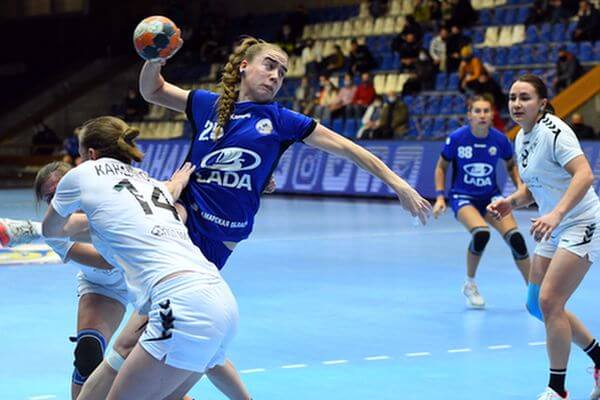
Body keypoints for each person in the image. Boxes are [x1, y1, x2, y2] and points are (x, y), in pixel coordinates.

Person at [75, 34, 430, 397]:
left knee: (175, 349)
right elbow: (153, 90)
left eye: (283, 72)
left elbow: (347, 147)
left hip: (214, 249)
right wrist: (155, 58)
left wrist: (398, 184)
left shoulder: (281, 121)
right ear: (244, 66)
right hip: (178, 232)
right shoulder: (207, 105)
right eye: (269, 65)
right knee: (144, 346)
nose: (276, 76)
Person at [41, 116, 239, 399]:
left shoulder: (83, 174)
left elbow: (51, 230)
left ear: (91, 154)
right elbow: (168, 195)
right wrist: (177, 183)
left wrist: (74, 226)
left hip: (176, 300)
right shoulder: (152, 183)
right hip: (220, 297)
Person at [488, 74, 600, 400]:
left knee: (550, 302)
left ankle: (557, 389)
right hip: (553, 225)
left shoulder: (555, 132)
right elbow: (533, 188)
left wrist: (557, 214)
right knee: (536, 303)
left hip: (580, 221)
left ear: (542, 103)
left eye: (525, 98)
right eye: (513, 98)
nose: (517, 104)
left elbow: (584, 175)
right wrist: (511, 202)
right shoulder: (521, 137)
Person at [432, 96, 530, 308]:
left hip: (491, 196)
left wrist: (520, 186)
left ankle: (534, 293)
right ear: (469, 115)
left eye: (486, 111)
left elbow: (511, 164)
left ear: (492, 115)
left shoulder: (500, 139)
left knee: (516, 240)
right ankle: (470, 284)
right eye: (477, 111)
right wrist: (440, 196)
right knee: (481, 233)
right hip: (462, 196)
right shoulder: (457, 138)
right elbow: (441, 167)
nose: (482, 115)